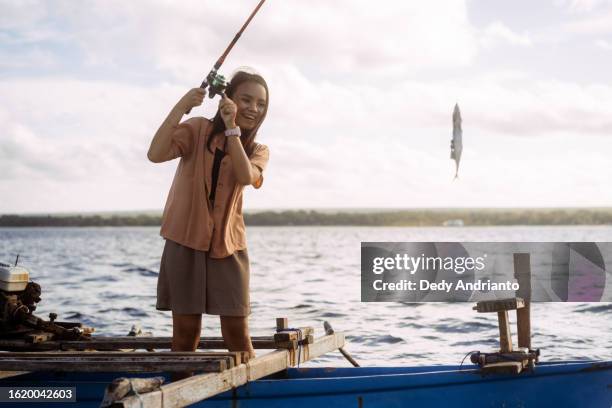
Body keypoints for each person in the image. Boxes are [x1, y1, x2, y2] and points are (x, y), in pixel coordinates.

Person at [147, 69, 269, 378]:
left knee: (238, 333)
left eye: (261, 103)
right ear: (228, 98)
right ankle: (180, 394)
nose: (254, 109)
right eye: (246, 100)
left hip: (228, 246)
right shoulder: (197, 129)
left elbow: (245, 176)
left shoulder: (258, 150)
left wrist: (231, 129)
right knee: (185, 334)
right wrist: (181, 106)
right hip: (184, 239)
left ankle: (248, 394)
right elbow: (155, 153)